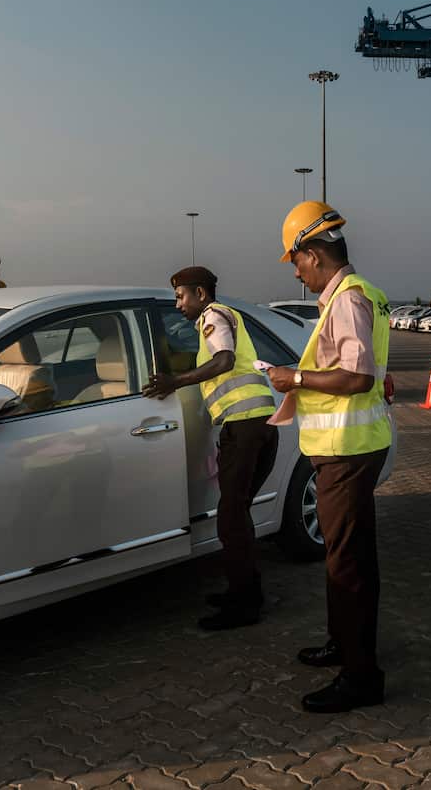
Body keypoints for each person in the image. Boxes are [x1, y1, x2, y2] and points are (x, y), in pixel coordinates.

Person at [265, 201, 392, 713]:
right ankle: (345, 644)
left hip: (346, 451)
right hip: (350, 448)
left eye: (295, 261)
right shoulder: (367, 296)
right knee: (350, 556)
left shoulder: (347, 301)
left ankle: (360, 677)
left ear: (314, 254)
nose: (295, 273)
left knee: (348, 564)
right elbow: (374, 372)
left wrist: (291, 377)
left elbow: (357, 377)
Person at [143, 265, 278, 630]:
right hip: (261, 423)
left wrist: (176, 381)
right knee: (239, 514)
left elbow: (225, 360)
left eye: (180, 296)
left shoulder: (213, 315)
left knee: (231, 519)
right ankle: (245, 591)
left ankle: (244, 606)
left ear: (200, 294)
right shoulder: (224, 318)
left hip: (244, 426)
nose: (177, 304)